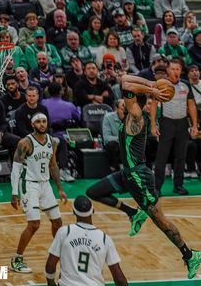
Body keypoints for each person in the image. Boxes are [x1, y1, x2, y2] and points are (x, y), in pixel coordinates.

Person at [86, 74, 201, 280]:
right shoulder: (133, 113)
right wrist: (152, 86)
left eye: (122, 104)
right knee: (93, 192)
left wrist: (150, 90)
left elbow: (126, 83)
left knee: (160, 221)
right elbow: (124, 78)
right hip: (127, 174)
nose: (119, 106)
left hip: (139, 176)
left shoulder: (136, 116)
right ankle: (133, 213)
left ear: (131, 104)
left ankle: (189, 254)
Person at [10, 112, 68, 273]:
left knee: (57, 223)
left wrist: (60, 189)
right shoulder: (25, 143)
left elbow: (53, 165)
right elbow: (16, 169)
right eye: (38, 122)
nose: (42, 124)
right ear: (33, 125)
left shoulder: (52, 141)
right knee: (34, 224)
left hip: (45, 186)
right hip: (29, 186)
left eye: (44, 121)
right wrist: (15, 193)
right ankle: (17, 259)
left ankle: (60, 254)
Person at [45, 195, 128, 286]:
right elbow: (119, 279)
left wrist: (51, 283)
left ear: (73, 212)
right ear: (93, 211)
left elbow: (50, 266)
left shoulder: (65, 232)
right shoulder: (104, 239)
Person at [151, 59, 198, 196]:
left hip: (182, 123)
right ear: (168, 70)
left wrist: (194, 125)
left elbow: (191, 106)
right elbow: (153, 105)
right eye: (173, 69)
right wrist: (153, 125)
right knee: (162, 156)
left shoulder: (186, 85)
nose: (176, 72)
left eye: (178, 69)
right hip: (167, 123)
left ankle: (178, 186)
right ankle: (156, 188)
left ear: (180, 71)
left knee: (181, 156)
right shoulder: (161, 85)